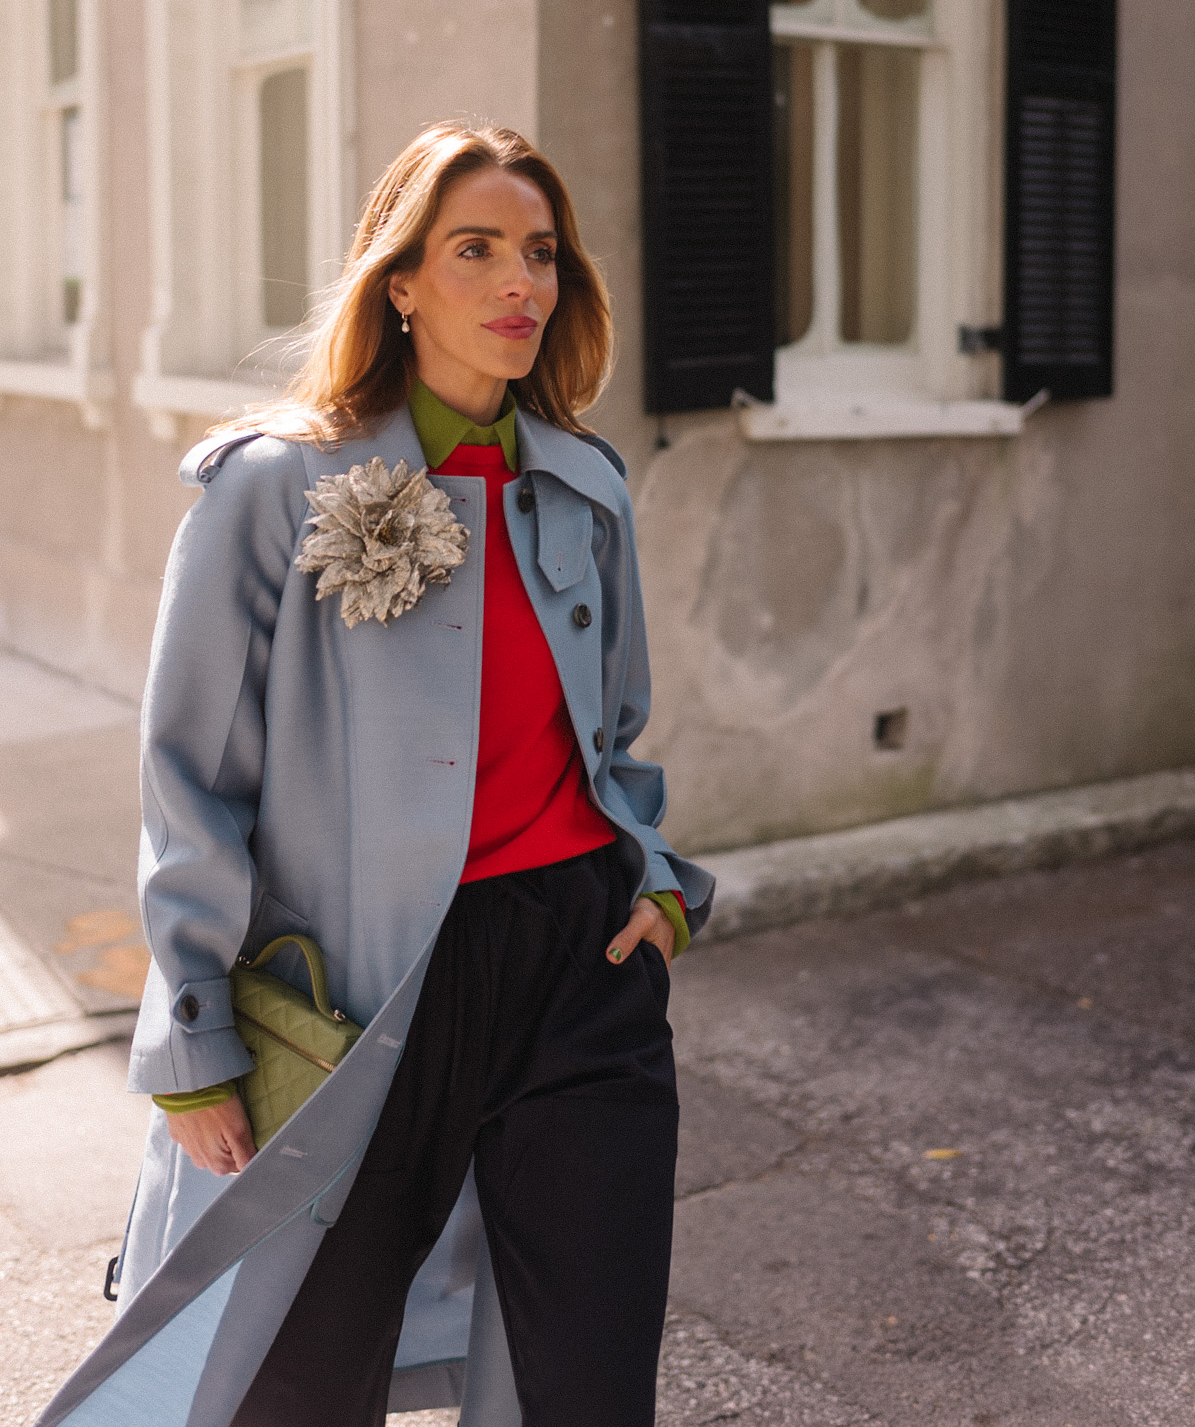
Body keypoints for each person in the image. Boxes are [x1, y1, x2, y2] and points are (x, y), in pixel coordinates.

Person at [42, 122, 713, 1427]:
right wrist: (191, 1032)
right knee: (295, 1376)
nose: (521, 282)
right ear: (399, 282)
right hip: (356, 992)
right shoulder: (274, 487)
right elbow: (192, 774)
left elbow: (618, 738)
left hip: (584, 974)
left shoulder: (588, 488)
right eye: (477, 249)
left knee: (586, 1380)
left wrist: (665, 890)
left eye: (542, 253)